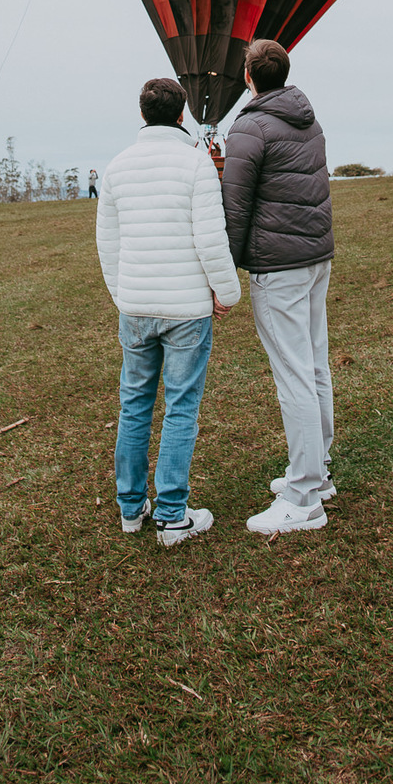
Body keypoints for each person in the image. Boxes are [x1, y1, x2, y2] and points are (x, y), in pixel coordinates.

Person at [96, 76, 240, 547]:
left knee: (134, 405)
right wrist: (226, 292)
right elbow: (210, 238)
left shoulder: (116, 168)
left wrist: (124, 295)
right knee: (181, 407)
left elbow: (108, 245)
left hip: (135, 306)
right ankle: (173, 515)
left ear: (142, 114)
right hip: (185, 311)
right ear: (181, 116)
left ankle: (131, 509)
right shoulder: (196, 164)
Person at [222, 39, 334, 535]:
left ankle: (305, 496)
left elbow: (236, 206)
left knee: (293, 375)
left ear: (248, 77)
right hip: (314, 256)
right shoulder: (307, 118)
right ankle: (319, 471)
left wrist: (224, 272)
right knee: (313, 365)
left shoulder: (249, 127)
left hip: (279, 266)